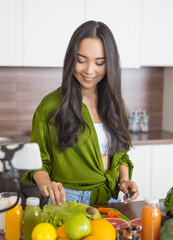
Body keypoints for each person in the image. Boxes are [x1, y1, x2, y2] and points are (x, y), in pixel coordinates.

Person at [22, 20, 139, 206]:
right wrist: (46, 184)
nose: (89, 70)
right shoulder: (51, 105)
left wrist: (124, 180)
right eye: (81, 60)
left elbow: (121, 154)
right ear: (71, 59)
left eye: (99, 62)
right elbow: (36, 159)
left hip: (109, 197)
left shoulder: (116, 104)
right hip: (67, 199)